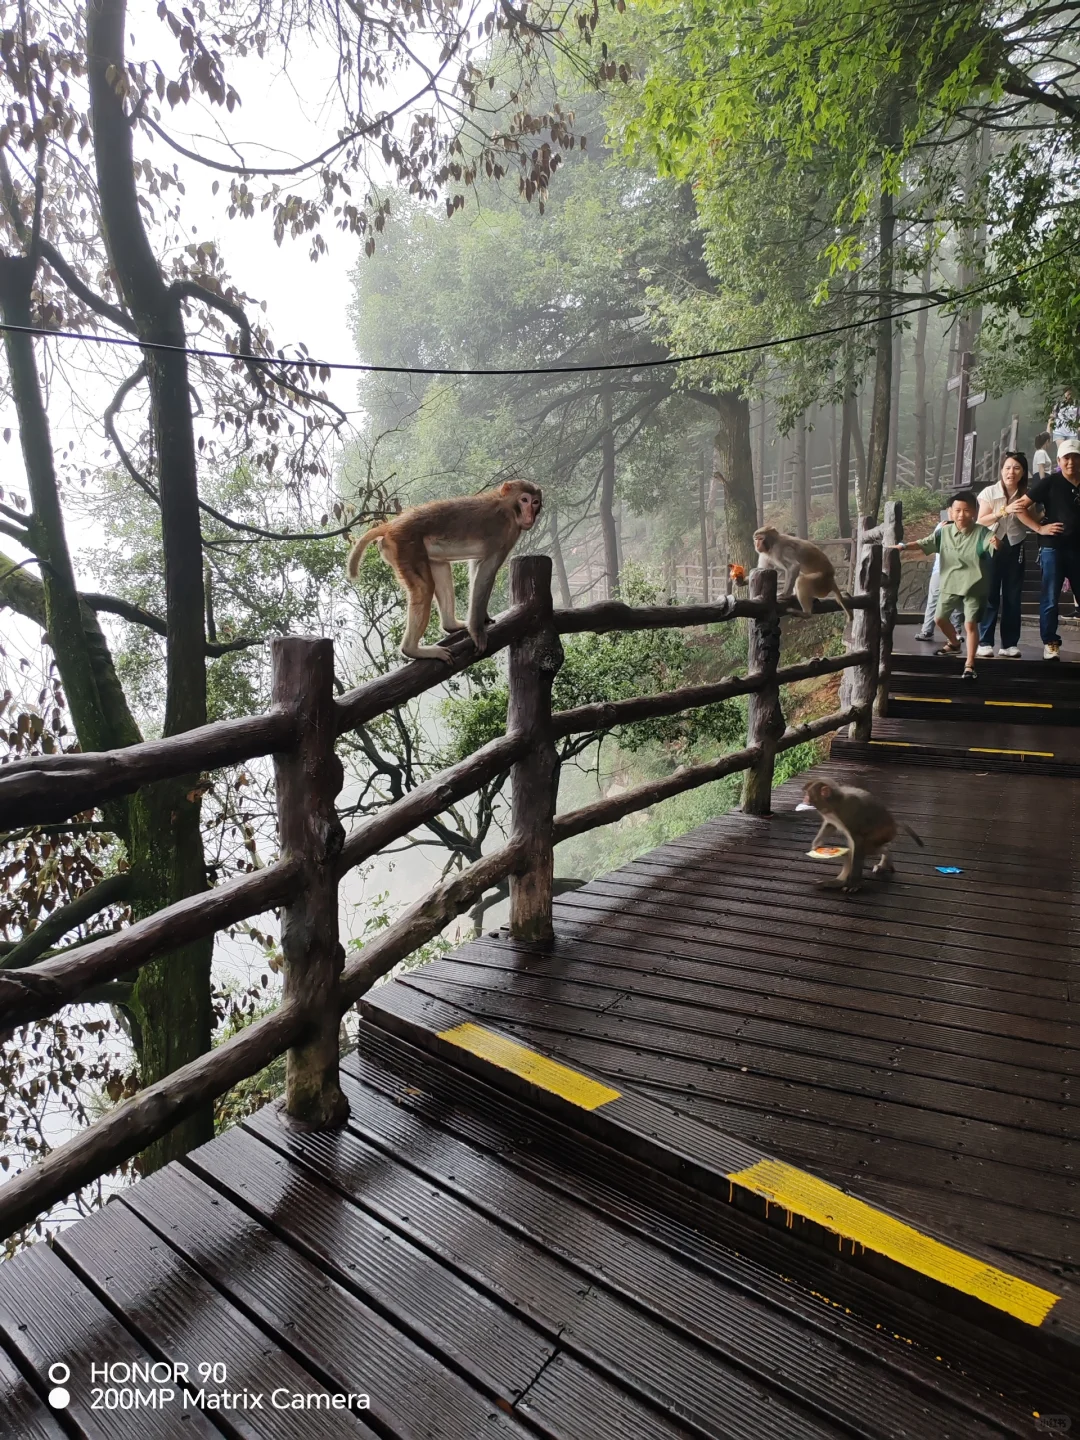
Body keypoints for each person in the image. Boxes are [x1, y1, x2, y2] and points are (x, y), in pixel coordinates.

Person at [894, 491, 996, 680]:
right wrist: (904, 546)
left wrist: (996, 544)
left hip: (974, 585)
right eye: (957, 510)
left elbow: (992, 544)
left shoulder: (982, 532)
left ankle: (970, 664)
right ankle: (954, 643)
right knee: (939, 618)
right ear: (950, 511)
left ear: (974, 511)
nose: (961, 515)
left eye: (966, 510)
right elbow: (925, 542)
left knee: (970, 623)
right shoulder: (944, 532)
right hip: (950, 583)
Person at [1023, 435, 1080, 660]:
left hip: (1078, 549)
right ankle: (1050, 642)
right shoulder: (1050, 482)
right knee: (1050, 597)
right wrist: (1039, 528)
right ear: (1058, 459)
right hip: (1053, 548)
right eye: (1067, 458)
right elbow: (1020, 507)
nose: (1071, 462)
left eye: (1076, 457)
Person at [975, 451, 1030, 658]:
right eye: (1007, 467)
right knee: (990, 593)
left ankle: (1009, 644)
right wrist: (1003, 511)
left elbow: (1031, 516)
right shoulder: (989, 492)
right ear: (1001, 470)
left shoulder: (1026, 494)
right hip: (992, 545)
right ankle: (985, 641)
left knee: (1013, 596)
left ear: (1023, 472)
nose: (1011, 472)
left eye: (1016, 468)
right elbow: (981, 521)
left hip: (1016, 544)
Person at [915, 518, 964, 642]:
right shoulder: (941, 526)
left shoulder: (966, 527)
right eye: (953, 509)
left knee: (957, 602)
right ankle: (926, 631)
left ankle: (956, 632)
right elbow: (929, 543)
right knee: (933, 600)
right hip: (939, 570)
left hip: (958, 571)